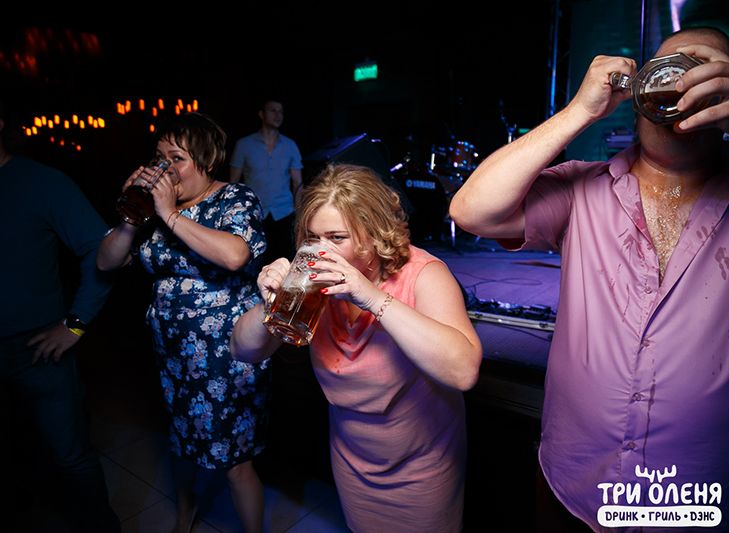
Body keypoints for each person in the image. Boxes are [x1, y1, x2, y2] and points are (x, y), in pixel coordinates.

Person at [450, 26, 729, 532]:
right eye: (668, 67)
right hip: (576, 484)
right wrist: (580, 110)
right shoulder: (583, 186)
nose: (681, 83)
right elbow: (472, 211)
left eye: (701, 70)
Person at [231, 164, 482, 532]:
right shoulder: (315, 285)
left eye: (337, 237)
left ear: (374, 234)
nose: (321, 250)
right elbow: (243, 350)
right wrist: (270, 302)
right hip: (353, 460)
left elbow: (463, 371)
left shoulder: (423, 273)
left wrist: (369, 295)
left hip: (423, 463)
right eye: (313, 237)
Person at [0, 80, 120, 532]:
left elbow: (102, 251)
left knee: (71, 455)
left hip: (36, 349)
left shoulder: (43, 183)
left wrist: (75, 324)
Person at [96, 112, 269, 533]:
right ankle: (184, 511)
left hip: (228, 354)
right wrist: (132, 215)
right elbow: (106, 261)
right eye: (159, 157)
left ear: (206, 161)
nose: (165, 168)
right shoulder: (154, 210)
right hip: (174, 355)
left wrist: (171, 214)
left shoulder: (234, 198)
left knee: (235, 460)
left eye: (177, 158)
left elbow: (235, 256)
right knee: (182, 442)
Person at [229, 98, 303, 263]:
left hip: (284, 213)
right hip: (254, 213)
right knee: (255, 263)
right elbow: (233, 183)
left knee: (285, 262)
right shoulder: (244, 145)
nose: (278, 115)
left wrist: (299, 214)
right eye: (272, 110)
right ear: (261, 114)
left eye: (281, 111)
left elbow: (298, 183)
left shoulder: (290, 145)